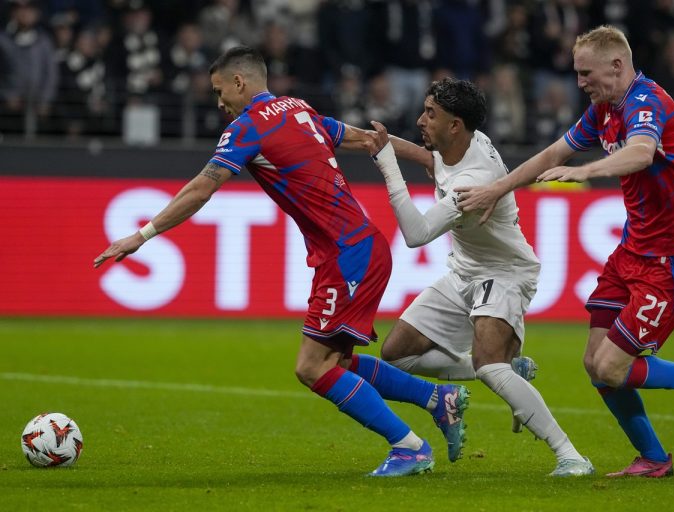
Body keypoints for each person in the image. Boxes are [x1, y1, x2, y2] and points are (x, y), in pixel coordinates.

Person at [93, 46, 470, 478]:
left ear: (240, 82)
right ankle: (437, 399)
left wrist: (141, 235)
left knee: (312, 367)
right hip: (356, 248)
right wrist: (423, 156)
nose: (219, 103)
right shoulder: (298, 109)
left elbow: (202, 188)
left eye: (220, 92)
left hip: (348, 253)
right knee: (338, 362)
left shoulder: (248, 125)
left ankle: (410, 448)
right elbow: (359, 136)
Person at [455, 25, 674, 478]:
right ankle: (654, 459)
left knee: (611, 366)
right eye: (577, 73)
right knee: (594, 364)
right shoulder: (603, 110)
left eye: (586, 73)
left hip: (671, 259)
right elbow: (550, 155)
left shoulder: (647, 102)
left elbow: (641, 154)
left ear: (617, 66)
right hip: (632, 250)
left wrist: (585, 170)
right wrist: (497, 189)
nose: (580, 82)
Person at [361, 77, 595, 477]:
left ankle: (570, 456)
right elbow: (432, 159)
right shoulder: (466, 139)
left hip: (504, 272)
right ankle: (506, 368)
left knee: (490, 365)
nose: (420, 119)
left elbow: (416, 235)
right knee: (397, 354)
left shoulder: (476, 179)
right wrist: (385, 143)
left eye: (430, 114)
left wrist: (386, 162)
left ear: (455, 125)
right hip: (464, 270)